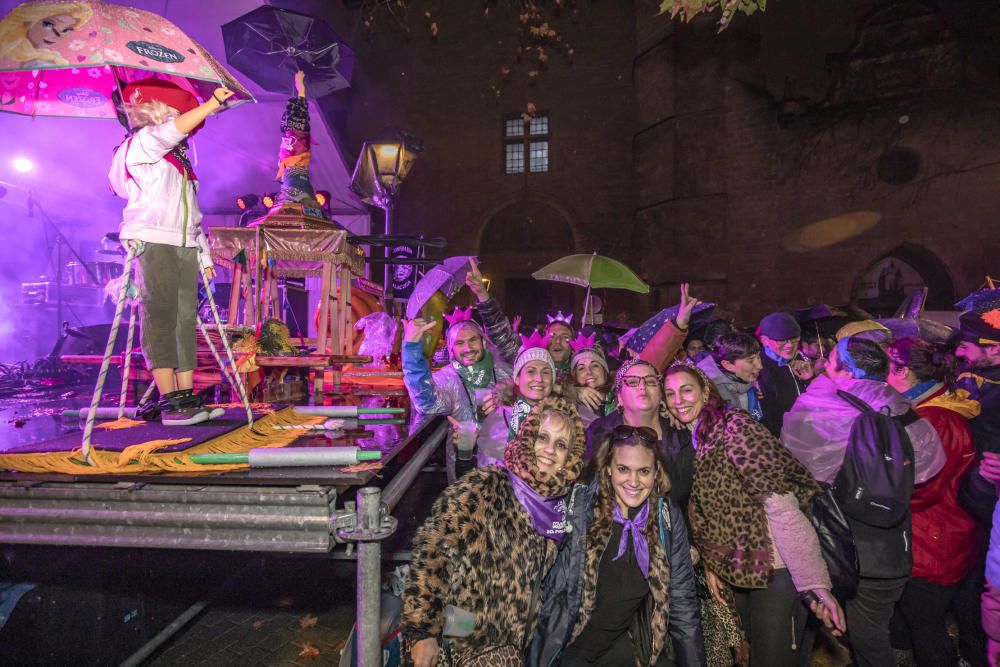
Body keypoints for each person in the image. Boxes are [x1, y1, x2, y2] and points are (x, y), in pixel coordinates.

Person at [663, 364, 845, 667]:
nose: (678, 399)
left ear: (705, 391)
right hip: (742, 569)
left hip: (776, 568)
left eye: (686, 390)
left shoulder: (736, 428)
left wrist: (814, 583)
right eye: (670, 393)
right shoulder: (700, 435)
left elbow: (782, 505)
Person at [781, 336, 945, 667]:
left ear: (847, 371)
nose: (824, 367)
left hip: (837, 543)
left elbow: (792, 466)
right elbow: (931, 467)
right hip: (891, 542)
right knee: (872, 627)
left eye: (830, 363)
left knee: (856, 632)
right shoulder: (902, 409)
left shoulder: (818, 407)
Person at [402, 397, 586, 667]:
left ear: (570, 458)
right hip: (460, 635)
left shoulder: (561, 508)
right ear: (527, 439)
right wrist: (423, 632)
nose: (549, 450)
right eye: (542, 437)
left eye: (561, 445)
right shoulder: (487, 485)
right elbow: (431, 553)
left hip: (514, 645)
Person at [109, 78, 235, 425]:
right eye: (175, 113)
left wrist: (204, 254)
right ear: (156, 111)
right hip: (152, 240)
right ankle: (170, 401)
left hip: (182, 245)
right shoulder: (143, 143)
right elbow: (169, 133)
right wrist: (211, 104)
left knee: (184, 321)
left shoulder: (179, 163)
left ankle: (186, 398)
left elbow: (192, 216)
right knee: (160, 319)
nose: (181, 119)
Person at [529, 426, 705, 667]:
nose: (633, 481)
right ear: (609, 468)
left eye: (644, 471)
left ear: (656, 473)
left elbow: (683, 608)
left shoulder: (666, 520)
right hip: (567, 650)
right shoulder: (580, 509)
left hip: (620, 648)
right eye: (623, 469)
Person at [885, 337, 983, 667]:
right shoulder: (928, 409)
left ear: (904, 372)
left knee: (926, 628)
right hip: (932, 535)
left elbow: (924, 488)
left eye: (888, 368)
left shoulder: (937, 420)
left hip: (933, 542)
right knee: (910, 624)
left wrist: (879, 495)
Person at [401, 308, 512, 481]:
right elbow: (427, 402)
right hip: (466, 472)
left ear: (483, 343)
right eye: (459, 343)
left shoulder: (504, 372)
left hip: (507, 471)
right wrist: (411, 349)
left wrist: (511, 392)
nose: (467, 348)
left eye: (473, 340)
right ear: (451, 350)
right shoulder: (448, 378)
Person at [755, 311, 807, 436]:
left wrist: (809, 379)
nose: (790, 345)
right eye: (782, 341)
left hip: (806, 429)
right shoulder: (758, 369)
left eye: (794, 340)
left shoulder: (800, 358)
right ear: (765, 341)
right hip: (782, 436)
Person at [695, 332, 763, 421]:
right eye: (750, 361)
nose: (760, 366)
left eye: (758, 356)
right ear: (728, 365)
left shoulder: (747, 376)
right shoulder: (709, 392)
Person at [0, 2, 92, 68]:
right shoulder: (7, 53)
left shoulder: (46, 58)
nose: (58, 35)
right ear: (27, 22)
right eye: (49, 24)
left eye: (67, 29)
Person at [506, 331, 558, 440]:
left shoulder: (563, 418)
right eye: (531, 371)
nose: (539, 379)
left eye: (546, 372)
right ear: (517, 378)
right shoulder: (501, 417)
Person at [569, 332, 615, 427]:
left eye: (594, 366)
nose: (589, 372)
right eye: (581, 368)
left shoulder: (621, 397)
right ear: (575, 376)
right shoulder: (569, 406)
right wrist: (572, 392)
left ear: (604, 371)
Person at [546, 312, 577, 384]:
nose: (558, 341)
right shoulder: (533, 371)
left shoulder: (582, 372)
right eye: (552, 336)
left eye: (565, 337)